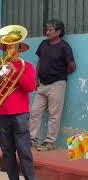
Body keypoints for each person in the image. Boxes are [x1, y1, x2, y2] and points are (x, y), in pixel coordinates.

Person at [0, 26, 36, 180]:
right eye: (6, 47)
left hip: (20, 115)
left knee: (24, 152)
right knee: (7, 153)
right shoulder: (0, 67)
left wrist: (16, 72)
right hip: (2, 114)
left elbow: (30, 86)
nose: (8, 50)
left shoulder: (26, 66)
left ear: (19, 48)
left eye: (12, 47)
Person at [29, 19, 76, 151]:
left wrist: (59, 75)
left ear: (58, 32)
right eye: (47, 29)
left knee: (54, 115)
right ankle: (32, 140)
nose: (47, 32)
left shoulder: (64, 47)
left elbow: (72, 66)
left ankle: (50, 143)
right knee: (35, 112)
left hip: (57, 85)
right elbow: (39, 62)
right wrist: (35, 79)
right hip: (42, 85)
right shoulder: (43, 44)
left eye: (50, 30)